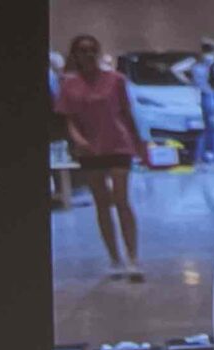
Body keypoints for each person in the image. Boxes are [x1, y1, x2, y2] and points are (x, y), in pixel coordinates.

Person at [59, 35, 148, 281]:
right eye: (82, 50)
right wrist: (78, 140)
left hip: (118, 144)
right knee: (101, 202)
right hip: (90, 149)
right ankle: (114, 259)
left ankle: (133, 258)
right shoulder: (69, 84)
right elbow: (69, 119)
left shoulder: (115, 80)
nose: (87, 54)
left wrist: (139, 142)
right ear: (75, 54)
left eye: (91, 50)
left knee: (121, 199)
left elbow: (127, 113)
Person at [189, 36, 214, 168]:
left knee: (206, 129)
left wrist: (191, 82)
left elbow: (176, 69)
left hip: (205, 96)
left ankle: (201, 156)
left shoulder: (196, 65)